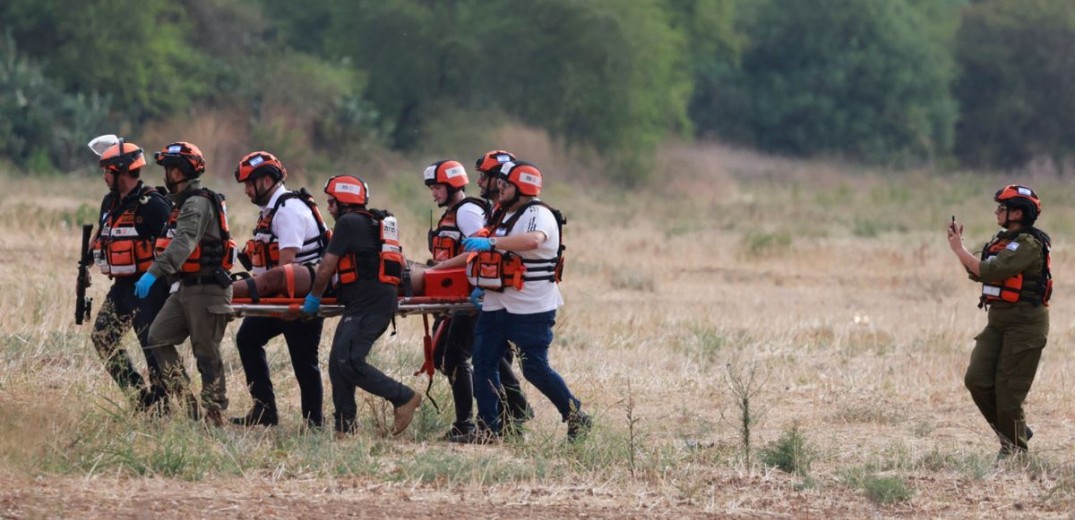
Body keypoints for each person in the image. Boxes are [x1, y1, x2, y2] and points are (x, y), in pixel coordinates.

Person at [461, 160, 591, 442]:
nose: (499, 187)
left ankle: (576, 417)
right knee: (482, 364)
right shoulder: (502, 214)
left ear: (521, 188)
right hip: (497, 303)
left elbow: (533, 240)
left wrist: (491, 244)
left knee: (534, 368)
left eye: (505, 184)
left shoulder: (537, 213)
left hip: (530, 306)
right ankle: (489, 429)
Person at [301, 175, 422, 438]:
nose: (329, 208)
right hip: (369, 303)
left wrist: (313, 298)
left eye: (332, 202)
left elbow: (327, 266)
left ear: (344, 202)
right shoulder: (374, 222)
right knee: (337, 362)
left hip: (369, 306)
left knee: (350, 361)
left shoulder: (348, 222)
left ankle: (404, 397)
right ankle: (345, 427)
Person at [423, 159, 532, 441]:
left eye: (437, 187)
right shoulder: (455, 212)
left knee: (465, 356)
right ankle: (506, 411)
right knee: (460, 356)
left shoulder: (468, 211)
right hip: (458, 295)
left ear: (451, 186)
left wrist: (437, 270)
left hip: (473, 296)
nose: (433, 193)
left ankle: (481, 419)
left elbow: (478, 251)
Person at [947, 184, 1051, 459]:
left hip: (1025, 327)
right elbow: (979, 273)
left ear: (1017, 213)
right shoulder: (1004, 241)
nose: (997, 211)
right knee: (977, 380)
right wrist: (963, 252)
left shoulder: (1028, 244)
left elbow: (991, 271)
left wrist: (959, 249)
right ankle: (1015, 431)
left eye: (1002, 208)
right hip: (998, 323)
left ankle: (1015, 453)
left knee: (1008, 393)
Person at [137, 141, 236, 426]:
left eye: (168, 168)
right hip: (185, 288)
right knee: (157, 336)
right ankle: (185, 397)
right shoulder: (180, 204)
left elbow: (184, 243)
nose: (164, 174)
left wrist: (153, 273)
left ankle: (214, 413)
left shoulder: (197, 203)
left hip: (208, 289)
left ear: (179, 172)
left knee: (206, 352)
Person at [230, 151, 331, 428]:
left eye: (250, 184)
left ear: (266, 180)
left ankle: (314, 425)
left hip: (297, 297)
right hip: (277, 296)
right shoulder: (271, 211)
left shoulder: (288, 211)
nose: (247, 191)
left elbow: (286, 266)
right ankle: (264, 411)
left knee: (303, 361)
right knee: (248, 339)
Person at [89, 139, 172, 412]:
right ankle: (140, 398)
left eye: (108, 172)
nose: (104, 177)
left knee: (152, 346)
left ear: (121, 172)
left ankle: (162, 407)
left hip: (150, 286)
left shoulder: (153, 204)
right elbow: (104, 233)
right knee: (102, 336)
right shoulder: (110, 201)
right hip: (123, 286)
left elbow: (173, 245)